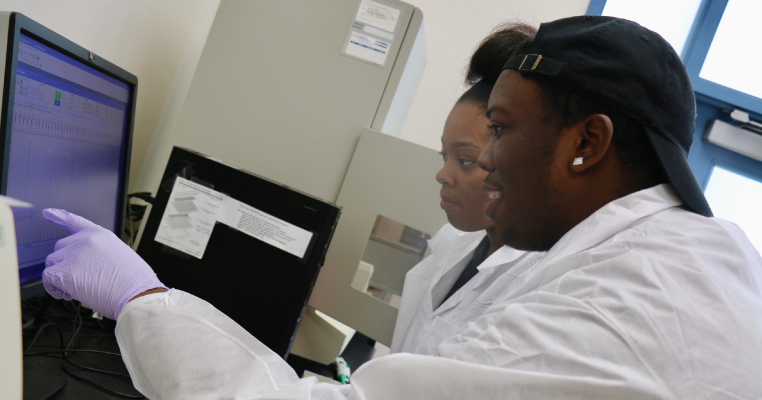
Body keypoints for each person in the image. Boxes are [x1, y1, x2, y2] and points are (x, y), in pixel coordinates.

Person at [41, 16, 762, 399]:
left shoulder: (637, 304)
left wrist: (142, 299)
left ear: (587, 144)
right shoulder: (645, 258)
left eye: (502, 131)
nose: (484, 162)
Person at [392, 22, 546, 355]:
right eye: (444, 155)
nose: (442, 175)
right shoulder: (454, 244)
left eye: (465, 160)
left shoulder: (536, 285)